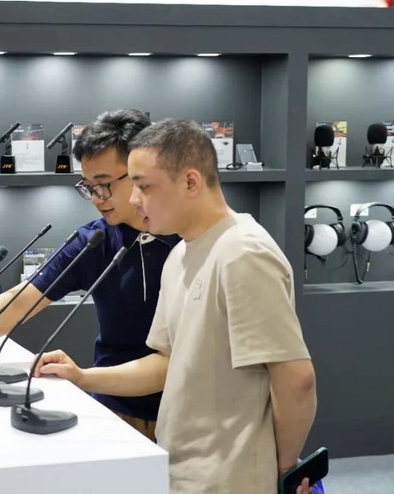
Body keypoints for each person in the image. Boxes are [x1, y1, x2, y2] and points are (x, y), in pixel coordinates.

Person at [34, 119, 317, 494]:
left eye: (144, 186)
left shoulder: (243, 252)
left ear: (190, 182)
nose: (134, 200)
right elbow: (167, 363)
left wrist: (282, 469)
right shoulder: (181, 254)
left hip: (232, 478)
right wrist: (83, 377)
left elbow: (295, 379)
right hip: (181, 468)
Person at [0, 109, 179, 440]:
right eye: (88, 187)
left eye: (104, 185)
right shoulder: (94, 240)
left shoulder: (188, 238)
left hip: (185, 415)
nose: (96, 199)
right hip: (114, 411)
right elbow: (21, 300)